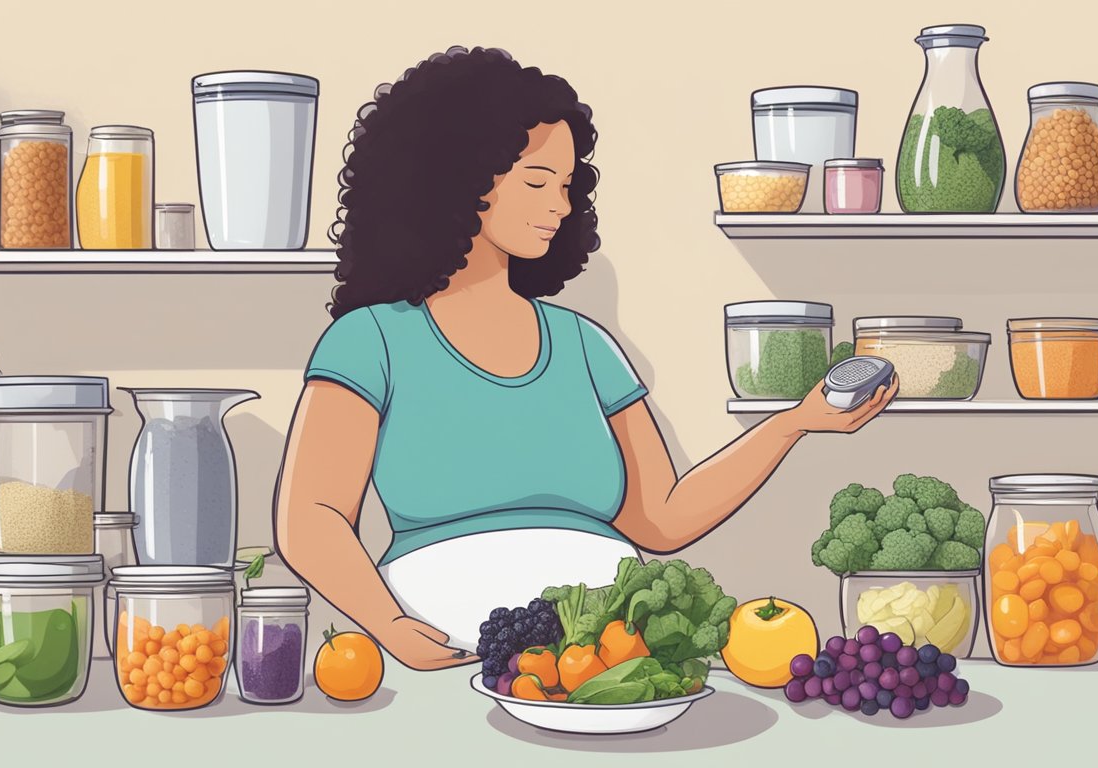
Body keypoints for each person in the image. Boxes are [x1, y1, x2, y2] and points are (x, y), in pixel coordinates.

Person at [273, 46, 897, 672]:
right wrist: (391, 628)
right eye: (537, 182)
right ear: (454, 180)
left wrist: (795, 422)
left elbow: (661, 518)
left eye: (567, 185)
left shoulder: (584, 344)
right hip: (449, 664)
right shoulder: (372, 340)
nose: (561, 205)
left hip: (608, 669)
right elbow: (310, 517)